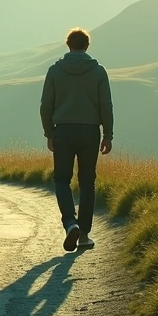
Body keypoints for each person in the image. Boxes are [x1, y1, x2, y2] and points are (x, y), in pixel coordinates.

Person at [40, 28, 114, 252]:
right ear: (87, 46)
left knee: (62, 179)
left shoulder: (55, 71)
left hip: (62, 130)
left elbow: (45, 106)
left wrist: (49, 133)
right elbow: (106, 106)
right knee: (87, 182)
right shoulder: (98, 71)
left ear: (68, 45)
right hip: (90, 132)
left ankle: (70, 222)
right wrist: (108, 135)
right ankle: (83, 235)